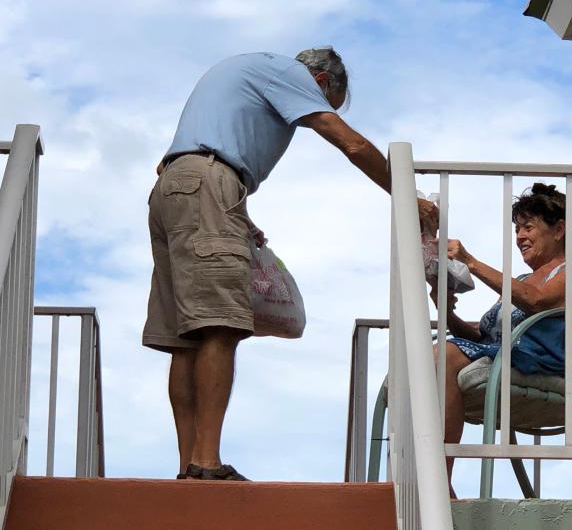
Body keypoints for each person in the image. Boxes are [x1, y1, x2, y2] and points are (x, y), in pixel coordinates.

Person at [142, 47, 435, 481]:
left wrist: (239, 216)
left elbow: (198, 158)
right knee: (220, 326)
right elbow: (351, 144)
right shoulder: (291, 74)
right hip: (208, 183)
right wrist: (407, 196)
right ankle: (206, 463)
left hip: (173, 187)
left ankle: (189, 466)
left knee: (186, 338)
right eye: (323, 102)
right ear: (320, 82)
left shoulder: (249, 69)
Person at [431, 183, 572, 492]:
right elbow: (482, 339)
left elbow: (538, 301)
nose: (519, 236)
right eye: (517, 229)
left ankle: (438, 485)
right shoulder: (522, 281)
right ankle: (425, 476)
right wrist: (445, 310)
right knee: (426, 357)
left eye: (528, 227)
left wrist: (471, 262)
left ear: (559, 229)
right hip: (509, 355)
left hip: (549, 361)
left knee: (441, 355)